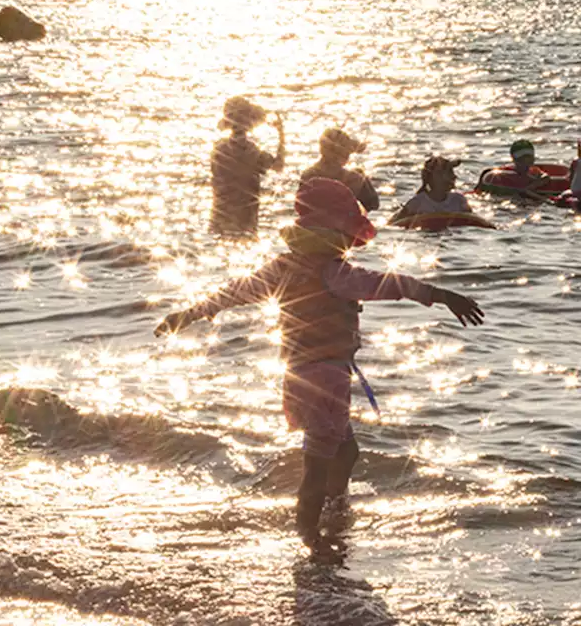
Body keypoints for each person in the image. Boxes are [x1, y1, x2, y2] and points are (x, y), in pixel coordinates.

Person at [155, 178, 484, 556]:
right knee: (317, 464)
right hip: (326, 380)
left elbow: (233, 292)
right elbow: (389, 284)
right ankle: (311, 537)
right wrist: (442, 295)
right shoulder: (335, 273)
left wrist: (189, 314)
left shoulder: (280, 269)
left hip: (299, 374)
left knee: (346, 453)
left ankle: (333, 510)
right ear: (337, 236)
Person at [210, 97, 285, 237]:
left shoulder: (218, 149)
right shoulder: (252, 152)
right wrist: (281, 134)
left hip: (220, 216)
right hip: (245, 220)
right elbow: (278, 166)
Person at [302, 129, 380, 211]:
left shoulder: (308, 175)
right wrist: (363, 178)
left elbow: (302, 207)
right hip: (344, 222)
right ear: (345, 155)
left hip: (313, 222)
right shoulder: (354, 178)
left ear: (321, 150)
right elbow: (373, 204)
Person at [388, 156, 472, 224]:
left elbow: (473, 220)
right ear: (436, 176)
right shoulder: (418, 203)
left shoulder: (459, 200)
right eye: (449, 172)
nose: (454, 176)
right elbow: (394, 223)